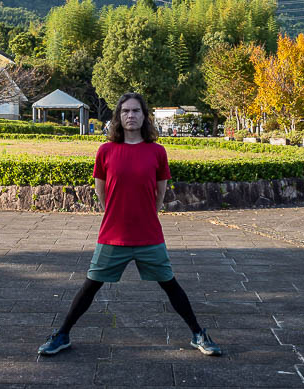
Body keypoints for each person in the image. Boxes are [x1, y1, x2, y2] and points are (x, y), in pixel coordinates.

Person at [38, 92, 221, 356]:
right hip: (113, 234)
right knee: (90, 286)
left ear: (144, 116)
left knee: (171, 285)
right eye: (125, 111)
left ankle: (198, 334)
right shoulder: (106, 151)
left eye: (136, 111)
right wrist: (117, 215)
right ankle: (62, 334)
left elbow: (159, 194)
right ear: (118, 117)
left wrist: (145, 215)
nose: (130, 116)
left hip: (148, 234)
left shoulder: (157, 152)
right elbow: (102, 193)